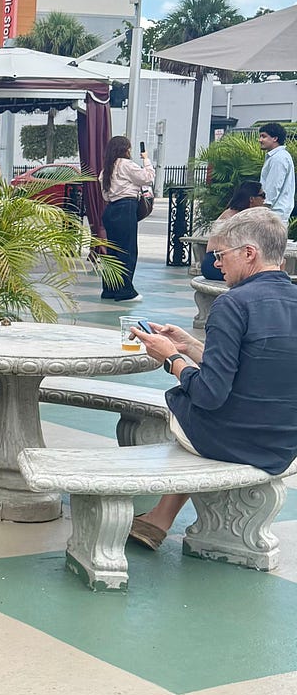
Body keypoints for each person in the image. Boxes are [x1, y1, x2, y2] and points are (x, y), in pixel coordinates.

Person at [129, 208, 297, 548]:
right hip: (285, 439)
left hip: (238, 437)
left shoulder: (233, 304)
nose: (216, 264)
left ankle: (160, 515)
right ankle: (160, 517)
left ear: (249, 253)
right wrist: (190, 346)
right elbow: (254, 367)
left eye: (219, 256)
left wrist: (171, 358)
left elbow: (209, 394)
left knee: (185, 405)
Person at [98, 134, 155, 302]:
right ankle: (125, 291)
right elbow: (148, 178)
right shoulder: (126, 165)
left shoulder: (106, 169)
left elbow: (105, 195)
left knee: (112, 251)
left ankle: (109, 289)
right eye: (128, 148)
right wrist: (146, 160)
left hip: (111, 209)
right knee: (127, 250)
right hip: (125, 208)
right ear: (124, 149)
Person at [200, 179, 266, 280]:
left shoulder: (239, 215)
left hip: (224, 260)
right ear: (252, 199)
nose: (264, 200)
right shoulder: (234, 218)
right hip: (217, 262)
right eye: (262, 195)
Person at [258, 123, 295, 230]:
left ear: (275, 138)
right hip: (275, 213)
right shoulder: (278, 156)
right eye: (260, 136)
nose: (260, 140)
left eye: (264, 136)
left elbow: (273, 187)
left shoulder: (278, 158)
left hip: (274, 214)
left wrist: (263, 209)